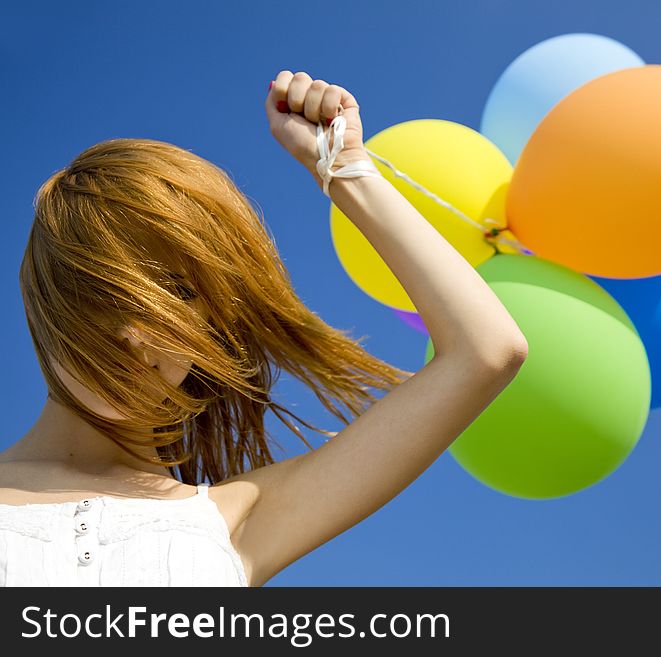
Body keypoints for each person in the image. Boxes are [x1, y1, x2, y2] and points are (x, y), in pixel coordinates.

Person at [0, 70, 528, 586]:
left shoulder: (237, 519)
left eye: (180, 294)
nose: (138, 334)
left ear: (211, 325)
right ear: (50, 305)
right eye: (107, 294)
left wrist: (344, 168)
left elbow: (486, 351)